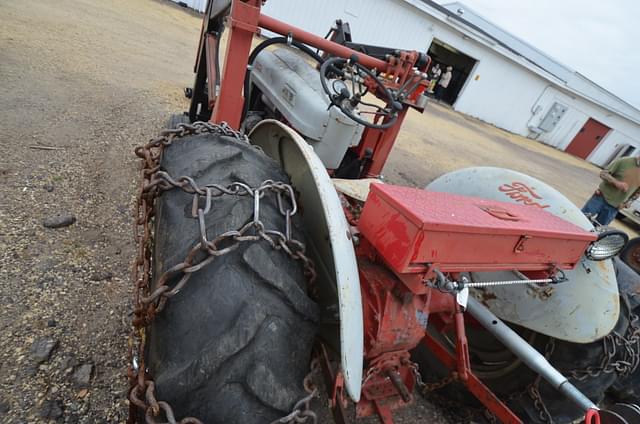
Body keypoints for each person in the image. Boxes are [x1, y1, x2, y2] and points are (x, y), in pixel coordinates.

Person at [582, 155, 640, 225]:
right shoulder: (624, 161)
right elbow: (603, 173)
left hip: (615, 207)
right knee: (581, 219)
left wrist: (627, 203)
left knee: (599, 229)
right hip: (601, 198)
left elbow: (637, 192)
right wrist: (616, 183)